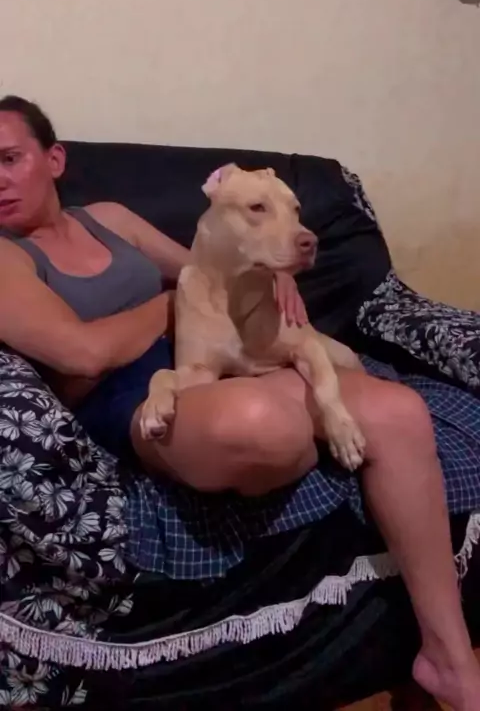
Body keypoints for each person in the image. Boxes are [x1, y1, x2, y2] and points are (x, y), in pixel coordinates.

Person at [0, 95, 479, 710]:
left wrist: (271, 264)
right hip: (133, 400)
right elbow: (83, 355)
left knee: (400, 412)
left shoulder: (108, 219)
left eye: (10, 158)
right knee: (261, 425)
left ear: (54, 159)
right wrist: (174, 305)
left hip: (219, 363)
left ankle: (448, 658)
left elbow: (210, 265)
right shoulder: (7, 256)